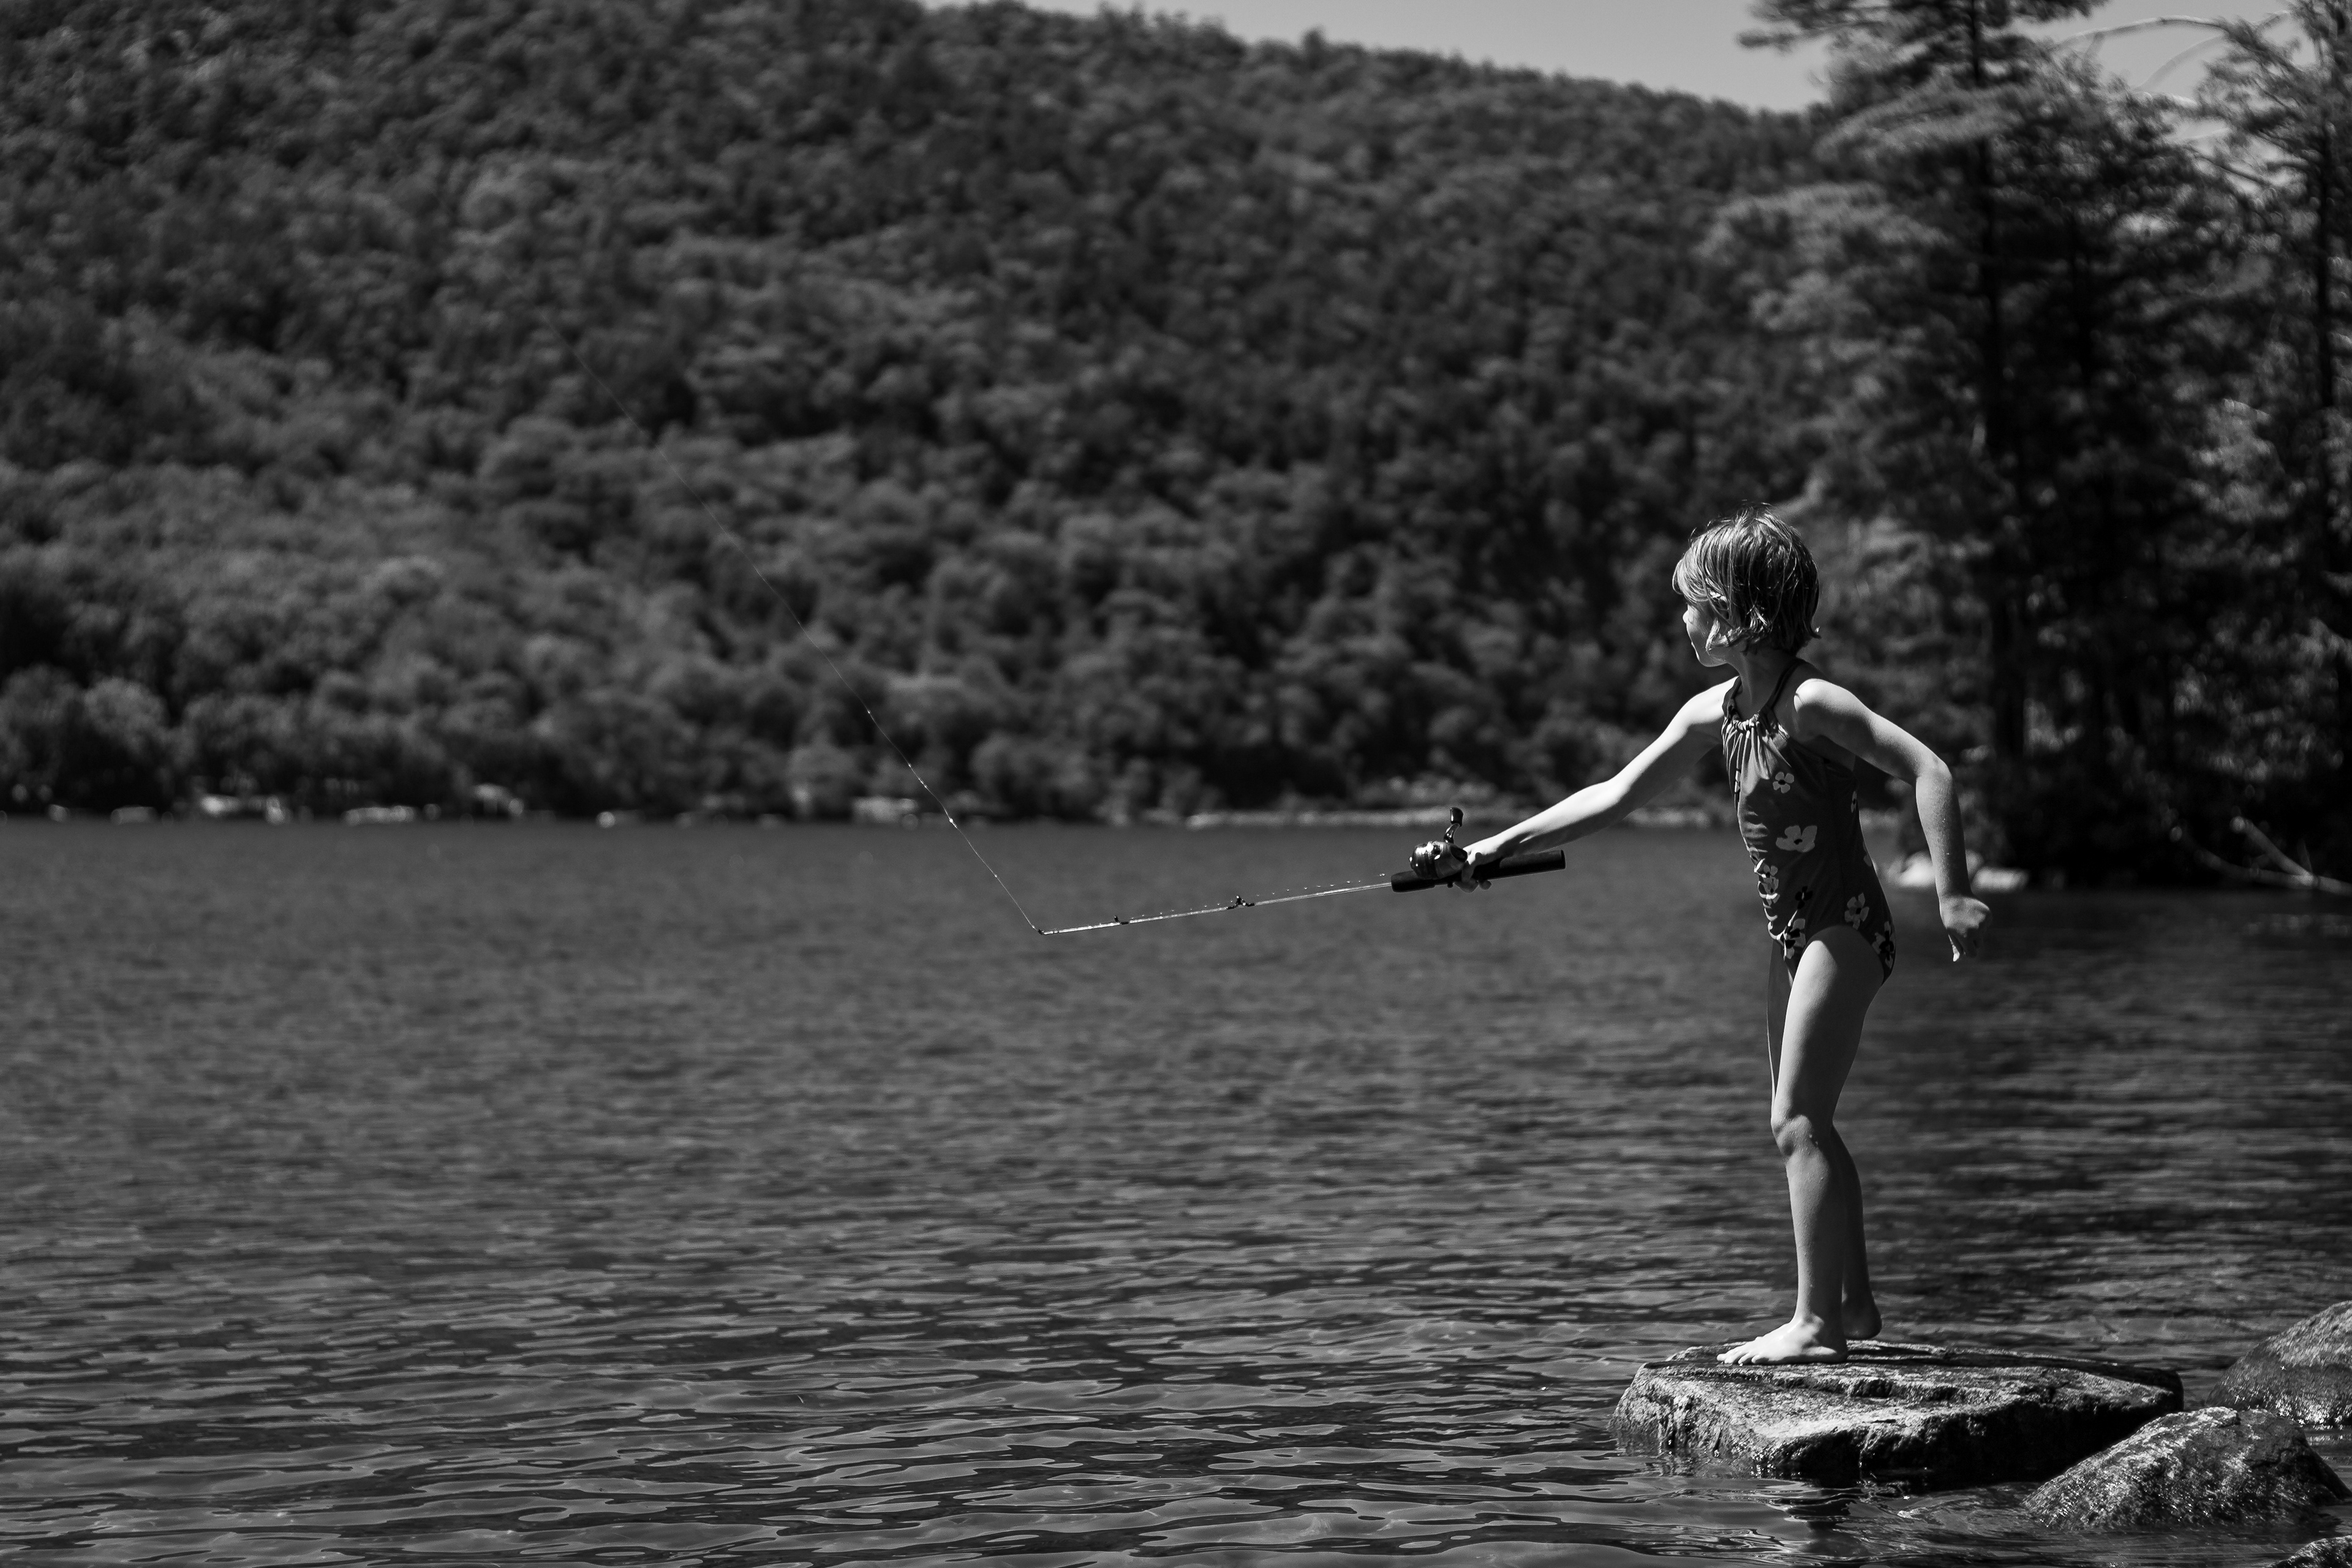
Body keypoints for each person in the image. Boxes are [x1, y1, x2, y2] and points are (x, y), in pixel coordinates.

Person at [1415, 508, 1989, 1365]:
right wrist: (1493, 849)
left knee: (1798, 1120)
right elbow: (1614, 795)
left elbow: (1927, 768)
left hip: (1845, 926)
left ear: (1736, 615)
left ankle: (1816, 1327)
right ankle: (1854, 1304)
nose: (1682, 620)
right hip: (1792, 933)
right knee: (1803, 1119)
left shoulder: (1810, 702)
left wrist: (1952, 893)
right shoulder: (1714, 711)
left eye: (1691, 604)